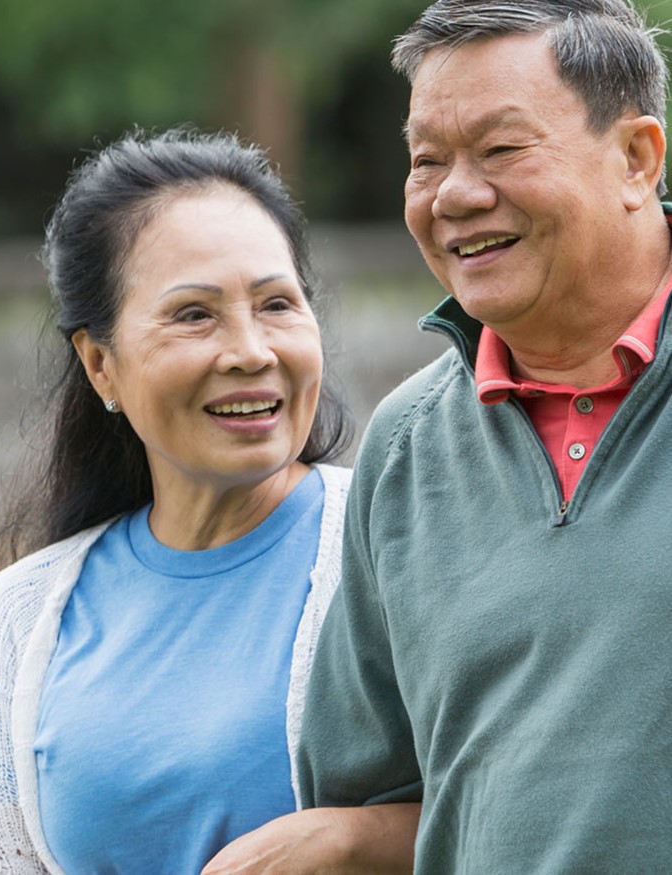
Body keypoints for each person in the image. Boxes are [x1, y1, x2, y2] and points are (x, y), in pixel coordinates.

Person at [0, 128, 417, 874]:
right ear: (100, 364)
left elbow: (532, 810)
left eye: (277, 304)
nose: (252, 351)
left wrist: (346, 841)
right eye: (195, 314)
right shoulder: (25, 615)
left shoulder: (401, 543)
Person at [296, 0, 672, 871]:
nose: (455, 196)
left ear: (635, 158)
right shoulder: (406, 444)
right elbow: (366, 804)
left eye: (501, 149)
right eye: (427, 161)